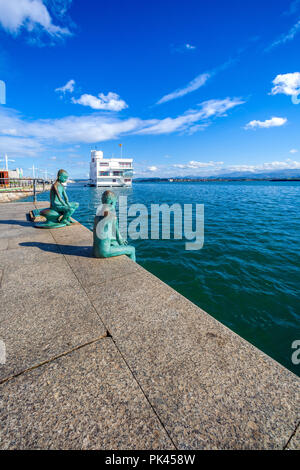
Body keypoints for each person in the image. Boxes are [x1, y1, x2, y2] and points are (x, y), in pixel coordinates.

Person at [93, 190, 136, 261]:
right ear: (112, 203)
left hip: (95, 251)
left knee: (115, 244)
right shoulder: (111, 215)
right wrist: (121, 241)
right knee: (132, 249)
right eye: (115, 203)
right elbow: (118, 236)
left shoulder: (97, 215)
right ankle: (134, 270)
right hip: (103, 252)